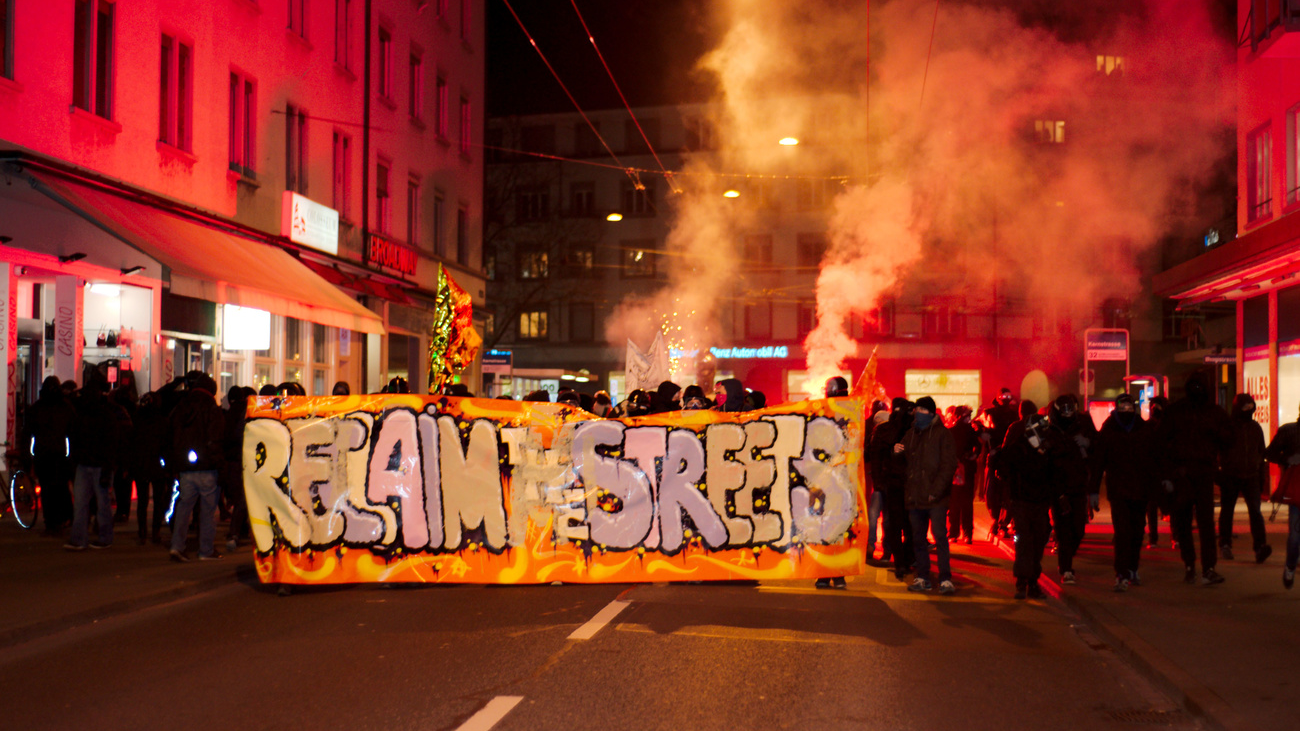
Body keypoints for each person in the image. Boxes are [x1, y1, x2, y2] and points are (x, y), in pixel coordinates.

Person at [1159, 372, 1232, 585]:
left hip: (1200, 473)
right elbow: (1161, 444)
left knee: (1201, 523)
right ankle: (1195, 565)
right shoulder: (1182, 412)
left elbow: (1228, 439)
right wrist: (1169, 473)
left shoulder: (1208, 412)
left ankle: (1202, 566)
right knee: (1188, 523)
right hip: (1185, 473)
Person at [1092, 394, 1156, 591]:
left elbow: (1153, 459)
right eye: (1124, 407)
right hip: (1118, 490)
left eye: (1130, 407)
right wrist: (1093, 490)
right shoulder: (1109, 429)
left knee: (1137, 532)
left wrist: (1157, 485)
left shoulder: (1142, 428)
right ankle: (1121, 572)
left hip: (1140, 489)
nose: (1127, 411)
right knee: (1122, 533)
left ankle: (1132, 568)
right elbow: (1098, 461)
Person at [995, 411, 1060, 600]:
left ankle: (1032, 580)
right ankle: (1023, 581)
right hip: (1022, 501)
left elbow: (1055, 472)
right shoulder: (1019, 448)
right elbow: (1004, 469)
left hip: (1040, 502)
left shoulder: (1048, 448)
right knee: (1024, 541)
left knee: (1038, 541)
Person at [898, 396, 958, 595]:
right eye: (917, 409)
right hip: (915, 496)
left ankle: (945, 579)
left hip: (935, 498)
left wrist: (936, 491)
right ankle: (923, 577)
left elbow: (948, 466)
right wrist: (895, 450)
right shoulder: (911, 433)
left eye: (923, 410)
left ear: (932, 413)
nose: (918, 413)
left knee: (940, 537)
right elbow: (903, 457)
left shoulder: (942, 434)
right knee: (918, 539)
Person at [166, 373, 226, 562]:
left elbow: (171, 437)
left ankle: (177, 546)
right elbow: (216, 439)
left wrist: (175, 463)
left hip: (185, 468)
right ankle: (205, 550)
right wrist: (219, 464)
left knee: (184, 508)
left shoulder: (180, 408)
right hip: (207, 467)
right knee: (207, 511)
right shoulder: (211, 409)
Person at [65, 373, 128, 550]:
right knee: (100, 503)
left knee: (84, 503)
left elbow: (75, 437)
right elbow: (112, 442)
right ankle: (102, 537)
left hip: (88, 463)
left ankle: (81, 538)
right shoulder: (107, 415)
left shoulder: (83, 413)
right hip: (97, 463)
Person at [1045, 394, 1097, 585]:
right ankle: (1066, 567)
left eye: (1070, 410)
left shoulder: (1083, 425)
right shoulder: (1050, 431)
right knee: (1063, 529)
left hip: (1078, 485)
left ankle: (1067, 557)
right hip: (1059, 488)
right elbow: (1046, 461)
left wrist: (1087, 443)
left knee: (1078, 529)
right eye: (1064, 411)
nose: (1067, 414)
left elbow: (1097, 448)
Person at [1217, 394, 1272, 564]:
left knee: (1255, 512)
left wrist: (1261, 474)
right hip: (1231, 475)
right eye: (1245, 408)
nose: (1248, 412)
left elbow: (1261, 452)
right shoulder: (1229, 427)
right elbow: (1220, 450)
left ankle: (1260, 546)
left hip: (1251, 475)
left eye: (1250, 408)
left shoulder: (1255, 428)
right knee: (1227, 511)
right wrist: (1222, 471)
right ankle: (1225, 543)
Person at [21, 376, 76, 536]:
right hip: (60, 455)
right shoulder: (66, 408)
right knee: (59, 488)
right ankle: (60, 519)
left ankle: (52, 522)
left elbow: (27, 435)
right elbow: (73, 433)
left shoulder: (37, 409)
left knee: (48, 490)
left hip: (43, 455)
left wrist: (27, 458)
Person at [868, 398, 915, 579]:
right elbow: (877, 457)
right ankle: (903, 560)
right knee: (903, 524)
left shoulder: (888, 430)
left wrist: (879, 480)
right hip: (899, 483)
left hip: (896, 483)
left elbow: (875, 457)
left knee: (895, 524)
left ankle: (900, 561)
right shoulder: (908, 429)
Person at [1265, 405, 1300, 588]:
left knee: (1295, 535)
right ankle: (1290, 566)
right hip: (1296, 491)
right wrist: (1288, 459)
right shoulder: (1289, 431)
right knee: (1295, 536)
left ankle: (1291, 566)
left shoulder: (1289, 430)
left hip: (1295, 491)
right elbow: (1269, 452)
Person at [981, 388, 1020, 538]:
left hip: (1009, 458)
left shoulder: (1013, 414)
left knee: (1008, 492)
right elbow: (977, 426)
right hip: (994, 458)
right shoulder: (989, 413)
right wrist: (982, 434)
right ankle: (996, 520)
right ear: (997, 397)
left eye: (1008, 396)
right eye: (1003, 396)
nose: (1005, 398)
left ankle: (1003, 522)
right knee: (991, 493)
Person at [947, 405, 979, 544]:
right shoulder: (969, 431)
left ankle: (955, 533)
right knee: (964, 503)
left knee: (955, 503)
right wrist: (972, 456)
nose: (969, 419)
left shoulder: (953, 431)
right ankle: (966, 533)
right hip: (963, 470)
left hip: (958, 471)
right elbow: (977, 447)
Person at [1146, 396, 1169, 547]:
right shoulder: (1147, 426)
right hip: (1152, 472)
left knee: (1170, 506)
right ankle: (1153, 537)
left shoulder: (1169, 426)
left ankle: (1177, 537)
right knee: (1152, 507)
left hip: (1166, 471)